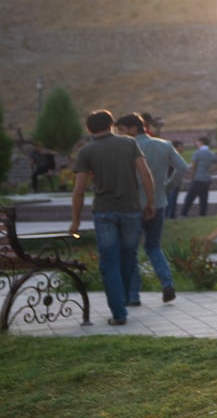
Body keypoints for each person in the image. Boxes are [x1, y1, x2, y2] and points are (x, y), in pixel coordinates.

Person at [68, 110, 156, 327]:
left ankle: (119, 313)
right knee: (129, 257)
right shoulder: (128, 144)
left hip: (104, 212)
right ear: (111, 124)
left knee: (109, 263)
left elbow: (79, 190)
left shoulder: (86, 151)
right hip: (131, 210)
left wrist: (76, 221)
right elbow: (145, 174)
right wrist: (150, 202)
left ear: (89, 129)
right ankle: (125, 298)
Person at [117, 113, 184, 305]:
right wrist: (167, 187)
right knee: (153, 245)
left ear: (132, 129)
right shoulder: (164, 145)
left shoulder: (127, 148)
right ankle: (167, 283)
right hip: (159, 202)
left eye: (121, 130)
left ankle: (133, 295)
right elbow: (182, 168)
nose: (119, 134)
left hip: (133, 205)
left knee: (130, 250)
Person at [180, 136, 217, 217]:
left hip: (198, 178)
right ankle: (202, 214)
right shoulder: (211, 153)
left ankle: (183, 214)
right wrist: (210, 171)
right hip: (207, 178)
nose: (196, 143)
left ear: (201, 142)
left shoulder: (197, 153)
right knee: (204, 198)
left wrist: (192, 177)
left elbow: (194, 166)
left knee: (189, 197)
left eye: (197, 142)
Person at [165, 139, 186, 219]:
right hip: (172, 182)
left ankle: (170, 215)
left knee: (172, 199)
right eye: (181, 146)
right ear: (176, 148)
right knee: (171, 200)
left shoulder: (173, 156)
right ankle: (170, 216)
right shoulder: (173, 157)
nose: (183, 148)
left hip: (174, 182)